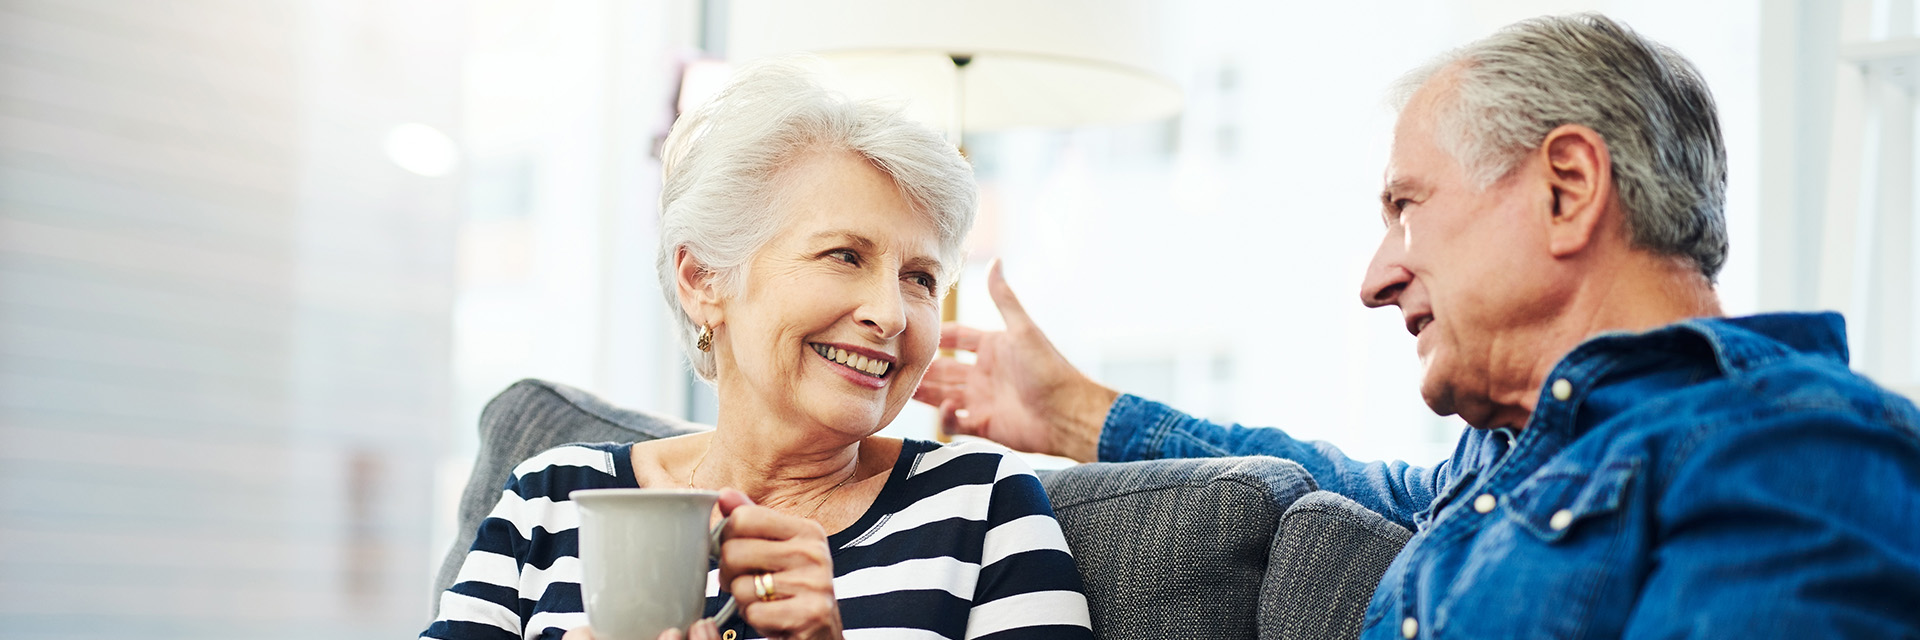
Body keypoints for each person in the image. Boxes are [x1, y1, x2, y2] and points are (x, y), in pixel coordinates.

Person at [915, 13, 1920, 638]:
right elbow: (1323, 486)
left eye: (1408, 205)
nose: (1375, 276)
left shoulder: (1796, 444)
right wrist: (1085, 413)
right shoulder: (1506, 466)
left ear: (1567, 189)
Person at [424, 60, 1093, 640]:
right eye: (844, 255)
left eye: (919, 277)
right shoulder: (552, 499)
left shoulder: (982, 509)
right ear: (703, 278)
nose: (889, 314)